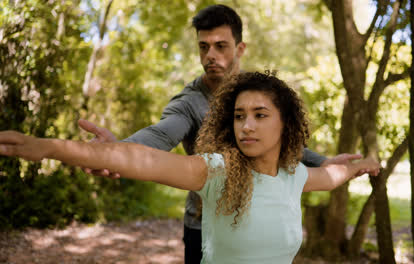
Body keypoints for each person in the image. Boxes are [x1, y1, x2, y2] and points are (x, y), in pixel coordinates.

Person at [77, 5, 370, 263]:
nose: (210, 55)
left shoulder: (253, 93)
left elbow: (277, 144)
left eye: (220, 46)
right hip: (203, 224)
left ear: (240, 49)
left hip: (257, 217)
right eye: (203, 47)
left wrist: (323, 162)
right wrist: (118, 151)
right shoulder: (189, 102)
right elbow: (161, 135)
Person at [0, 72, 380, 264]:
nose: (246, 125)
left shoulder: (293, 176)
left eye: (260, 115)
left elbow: (331, 177)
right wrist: (48, 147)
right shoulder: (217, 170)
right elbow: (146, 161)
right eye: (239, 116)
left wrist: (362, 165)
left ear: (286, 124)